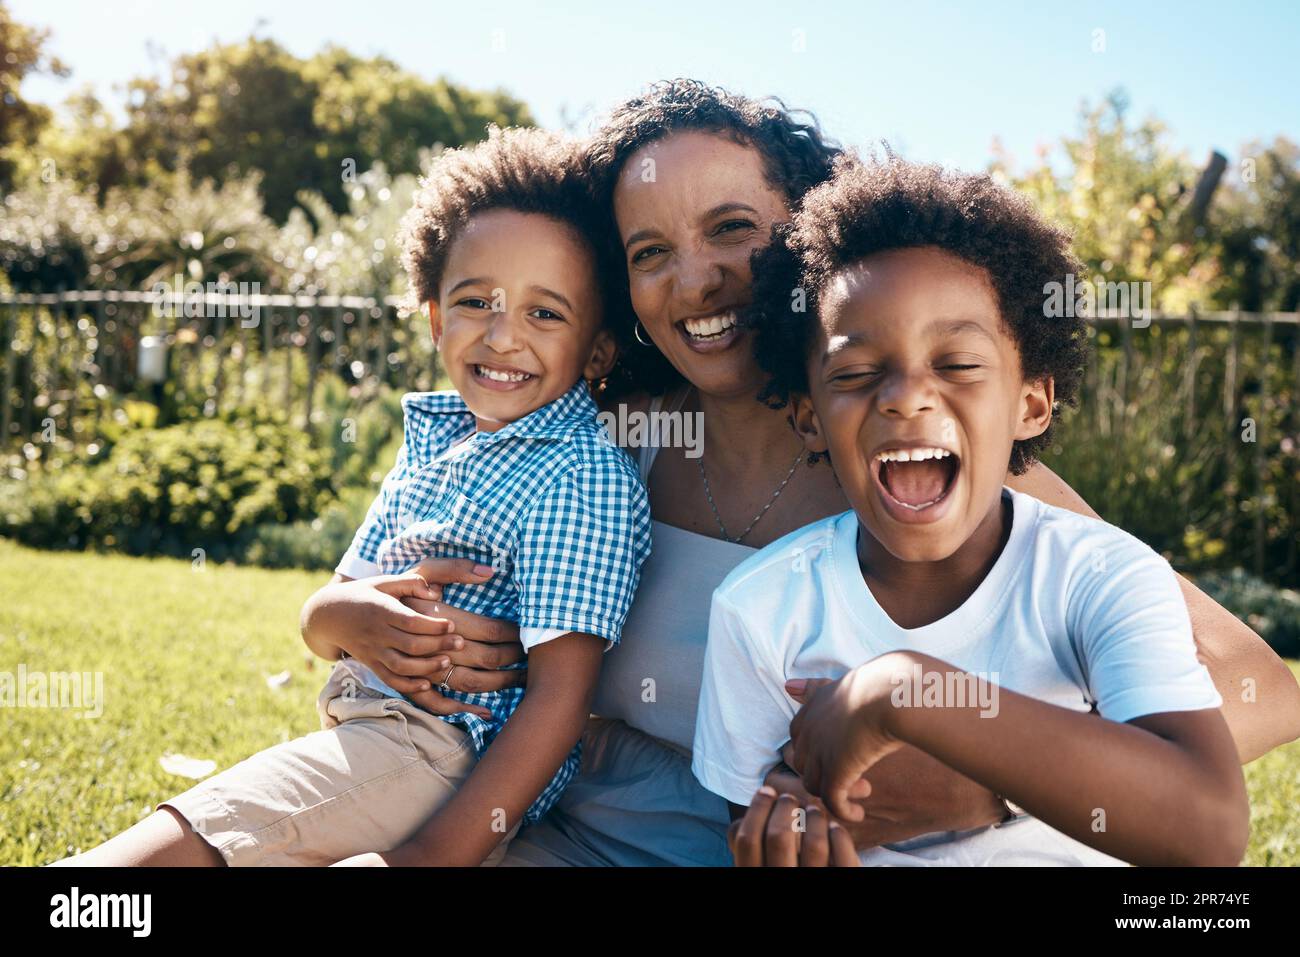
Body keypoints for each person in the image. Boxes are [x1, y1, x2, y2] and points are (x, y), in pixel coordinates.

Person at [54, 127, 651, 867]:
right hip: (365, 736)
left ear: (596, 350)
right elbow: (325, 618)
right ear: (435, 317)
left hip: (441, 757)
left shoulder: (580, 472)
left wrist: (433, 855)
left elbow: (560, 702)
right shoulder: (433, 440)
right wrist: (346, 614)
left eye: (545, 313)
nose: (502, 336)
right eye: (475, 302)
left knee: (187, 841)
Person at [694, 154, 1247, 866]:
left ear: (1031, 404)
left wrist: (903, 691)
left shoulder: (1100, 576)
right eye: (857, 373)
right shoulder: (759, 609)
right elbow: (754, 827)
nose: (906, 396)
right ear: (808, 419)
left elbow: (1209, 833)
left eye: (957, 364)